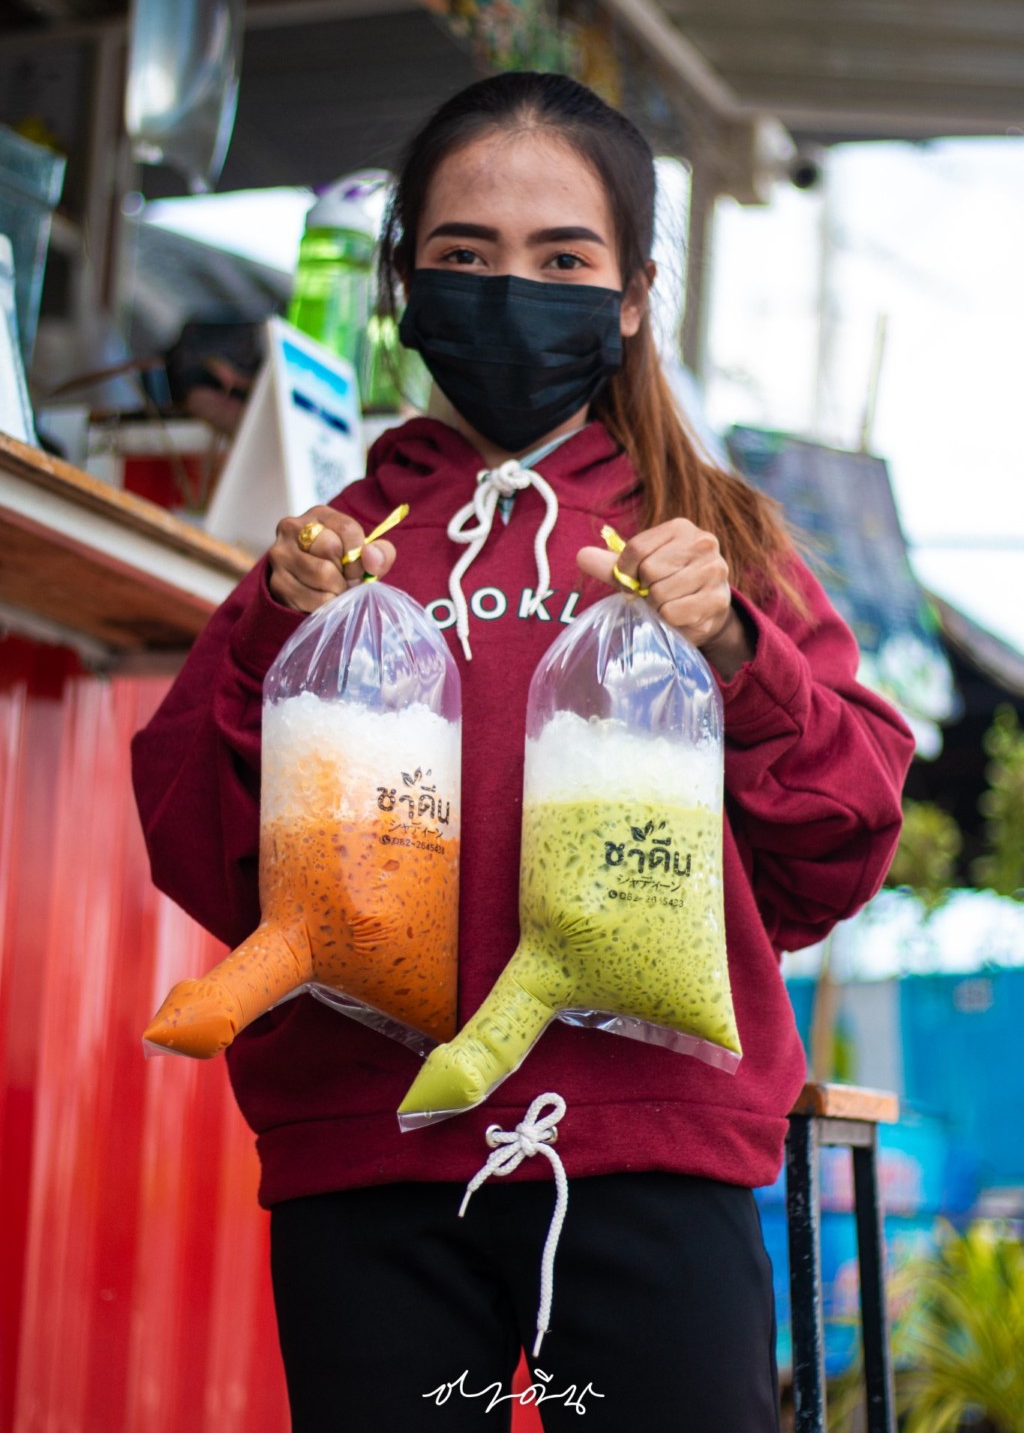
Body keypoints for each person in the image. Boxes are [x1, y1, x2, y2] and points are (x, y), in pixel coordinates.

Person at [131, 72, 914, 1431]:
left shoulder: (713, 542)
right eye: (465, 255)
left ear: (633, 295)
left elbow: (841, 845)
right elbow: (198, 845)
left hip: (653, 1159)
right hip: (368, 1170)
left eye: (563, 260)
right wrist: (270, 627)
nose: (511, 291)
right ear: (404, 286)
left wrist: (736, 647)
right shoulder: (334, 548)